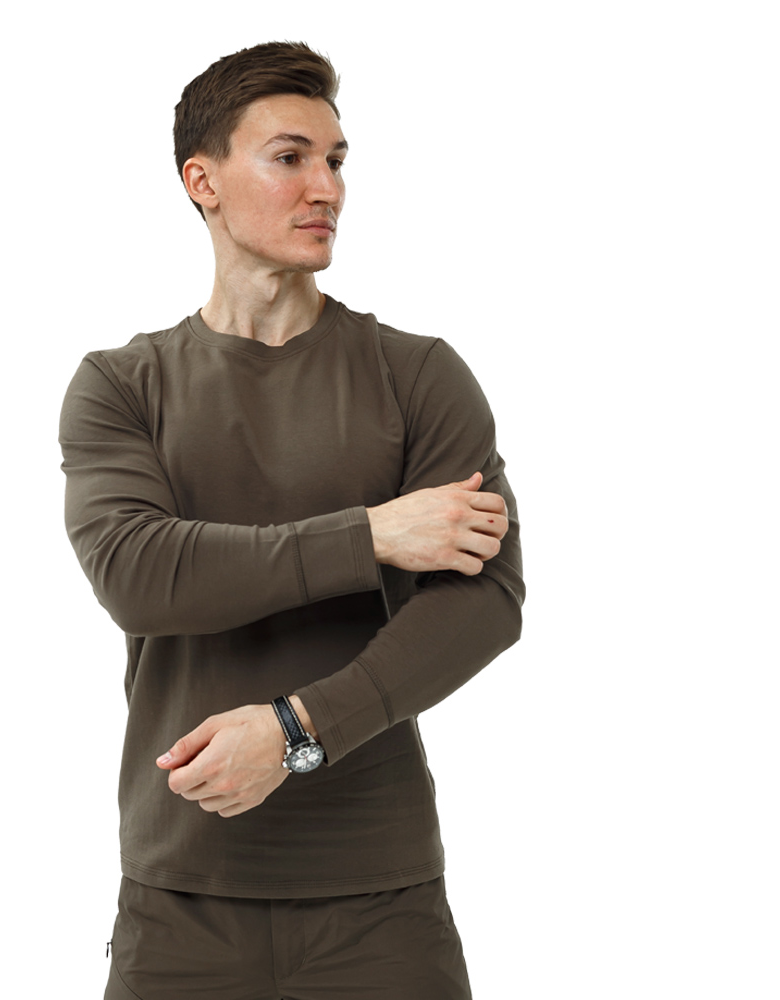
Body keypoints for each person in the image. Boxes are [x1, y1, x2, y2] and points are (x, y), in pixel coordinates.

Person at [59, 40, 524, 1000]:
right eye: (290, 157)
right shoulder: (122, 384)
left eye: (337, 160)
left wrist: (295, 730)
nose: (328, 188)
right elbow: (140, 576)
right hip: (181, 898)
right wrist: (372, 536)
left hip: (380, 899)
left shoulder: (417, 374)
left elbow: (485, 605)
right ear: (203, 181)